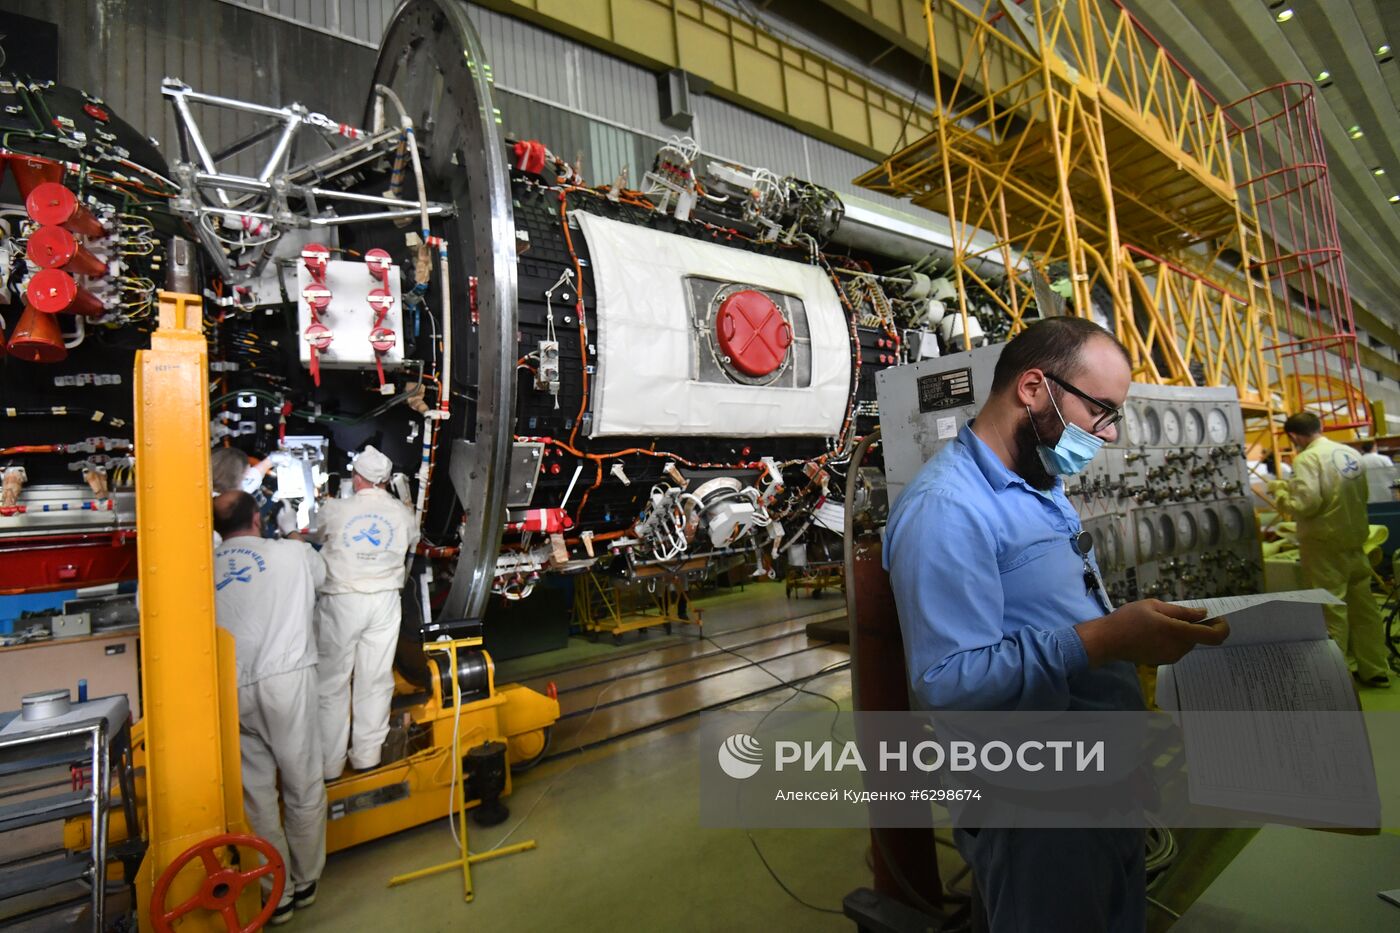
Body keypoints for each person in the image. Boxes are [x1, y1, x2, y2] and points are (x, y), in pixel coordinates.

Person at [884, 317, 1230, 933]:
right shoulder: (946, 509)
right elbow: (948, 679)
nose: (1111, 433)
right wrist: (1107, 638)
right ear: (1034, 389)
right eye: (1101, 411)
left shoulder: (1041, 484)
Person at [212, 491, 327, 925]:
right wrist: (294, 531)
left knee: (256, 793)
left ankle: (274, 892)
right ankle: (306, 879)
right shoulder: (291, 555)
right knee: (302, 785)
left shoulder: (205, 566)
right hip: (287, 680)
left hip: (231, 685)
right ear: (258, 519)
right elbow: (324, 575)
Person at [313, 444, 420, 779]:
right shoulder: (403, 514)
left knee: (332, 682)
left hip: (342, 601)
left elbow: (314, 536)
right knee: (375, 679)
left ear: (356, 478)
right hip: (385, 601)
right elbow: (410, 542)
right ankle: (367, 757)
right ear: (385, 481)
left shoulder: (335, 510)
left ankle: (330, 764)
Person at [1271, 413, 1390, 687]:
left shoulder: (1307, 459)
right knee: (1365, 610)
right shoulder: (1349, 453)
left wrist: (1280, 493)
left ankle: (1335, 679)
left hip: (1325, 546)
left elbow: (1306, 504)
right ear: (1319, 427)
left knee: (1331, 610)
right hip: (1355, 541)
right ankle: (1375, 670)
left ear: (1293, 436)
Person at [1359, 440, 1396, 505]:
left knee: (1373, 510)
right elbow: (1393, 472)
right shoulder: (1383, 458)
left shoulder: (1359, 460)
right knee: (1387, 507)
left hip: (1368, 490)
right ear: (1374, 447)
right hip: (1384, 488)